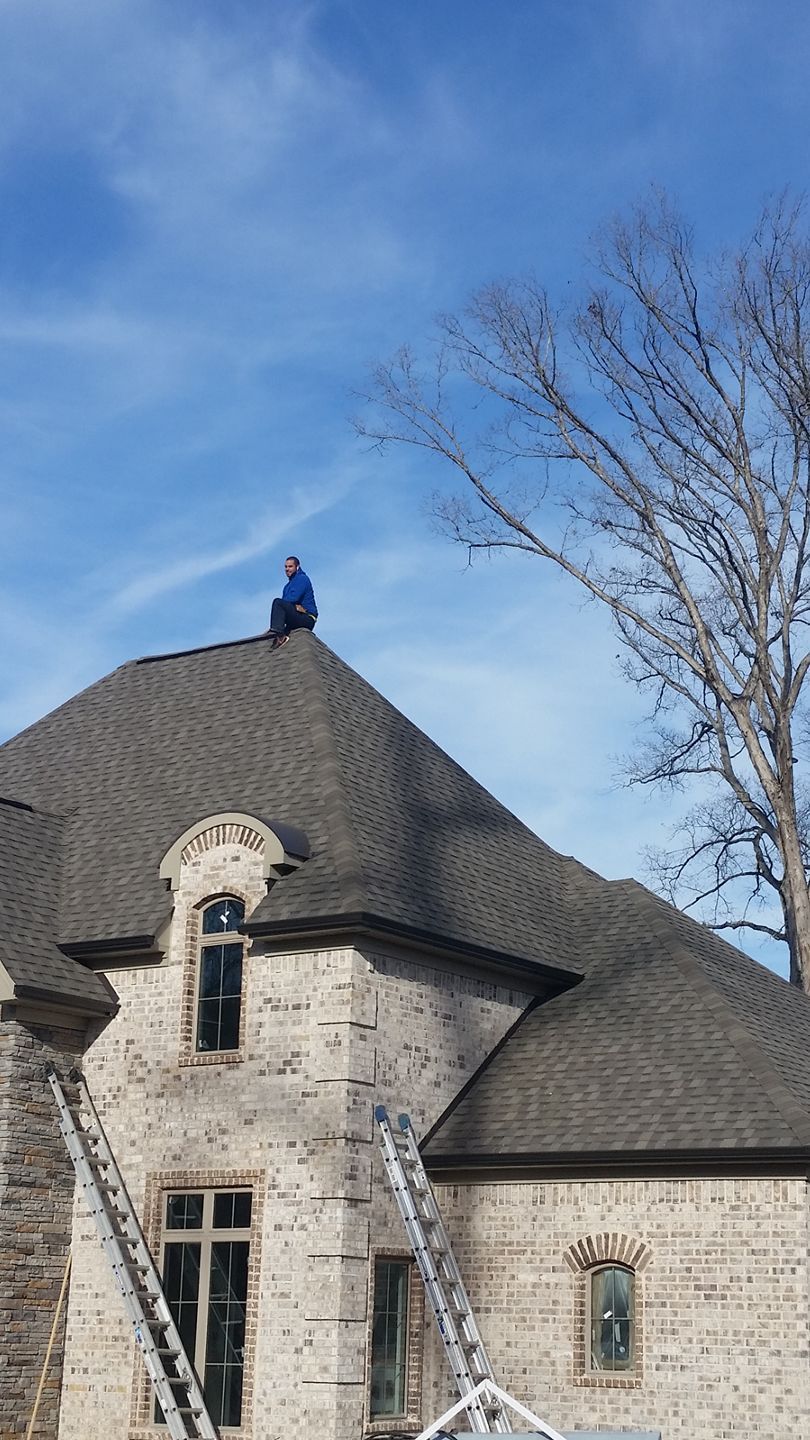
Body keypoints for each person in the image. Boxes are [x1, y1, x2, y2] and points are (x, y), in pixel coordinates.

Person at [267, 556, 318, 647]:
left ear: (297, 567)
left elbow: (293, 598)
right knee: (272, 640)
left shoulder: (302, 579)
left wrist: (293, 606)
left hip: (307, 618)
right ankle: (278, 634)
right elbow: (287, 604)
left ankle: (280, 635)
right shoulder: (287, 587)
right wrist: (294, 607)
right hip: (297, 616)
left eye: (290, 566)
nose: (287, 569)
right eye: (286, 567)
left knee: (277, 602)